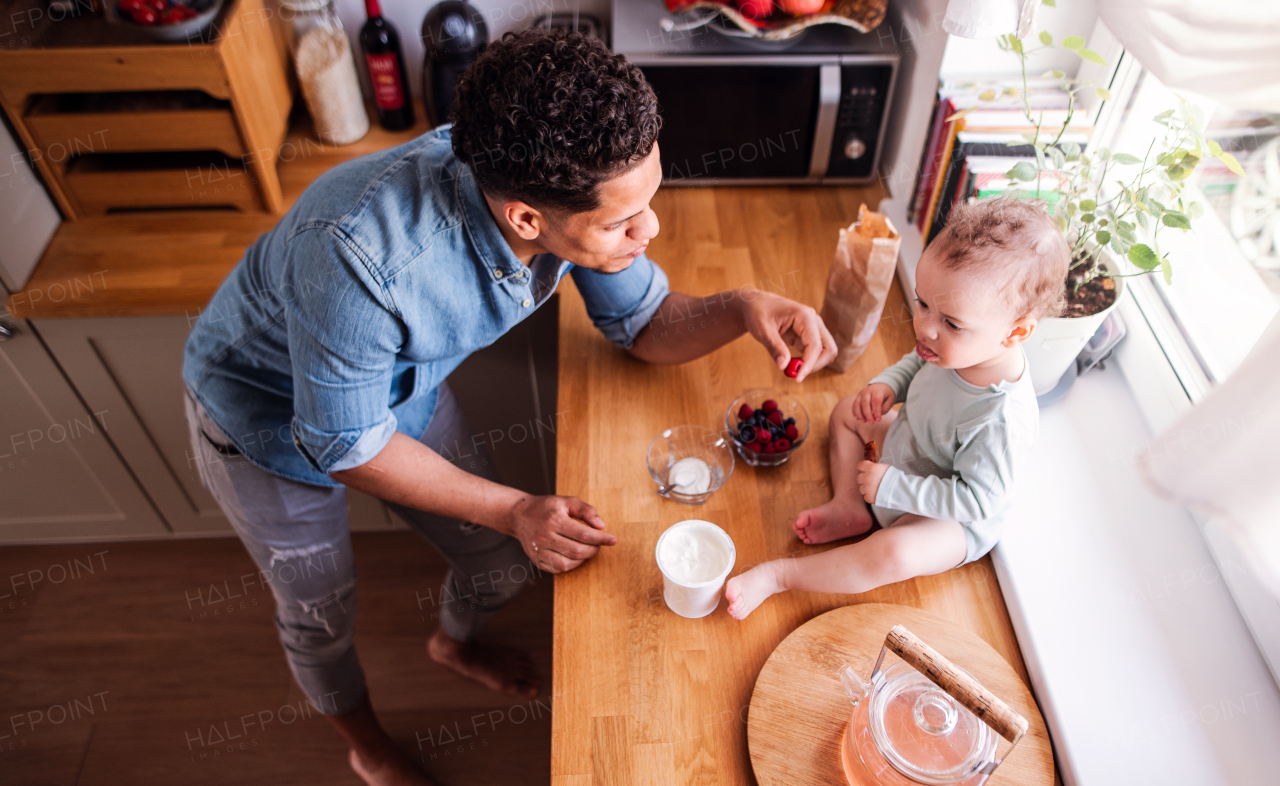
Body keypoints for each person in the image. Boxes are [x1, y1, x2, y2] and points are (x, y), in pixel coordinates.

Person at [182, 28, 836, 786]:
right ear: (528, 220)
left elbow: (644, 325)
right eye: (625, 221)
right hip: (265, 425)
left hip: (404, 391)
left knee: (496, 563)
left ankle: (451, 644)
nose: (649, 231)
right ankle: (368, 744)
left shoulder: (556, 183)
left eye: (649, 201)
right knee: (320, 617)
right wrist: (515, 506)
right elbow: (345, 446)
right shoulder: (356, 254)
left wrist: (742, 306)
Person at [725, 196, 1069, 620]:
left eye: (951, 322)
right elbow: (917, 361)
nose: (925, 327)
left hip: (950, 514)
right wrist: (889, 384)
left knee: (892, 553)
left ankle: (780, 576)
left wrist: (893, 487)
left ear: (1015, 332)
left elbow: (978, 502)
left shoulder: (1000, 419)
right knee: (847, 412)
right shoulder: (955, 346)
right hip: (909, 451)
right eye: (923, 304)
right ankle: (851, 506)